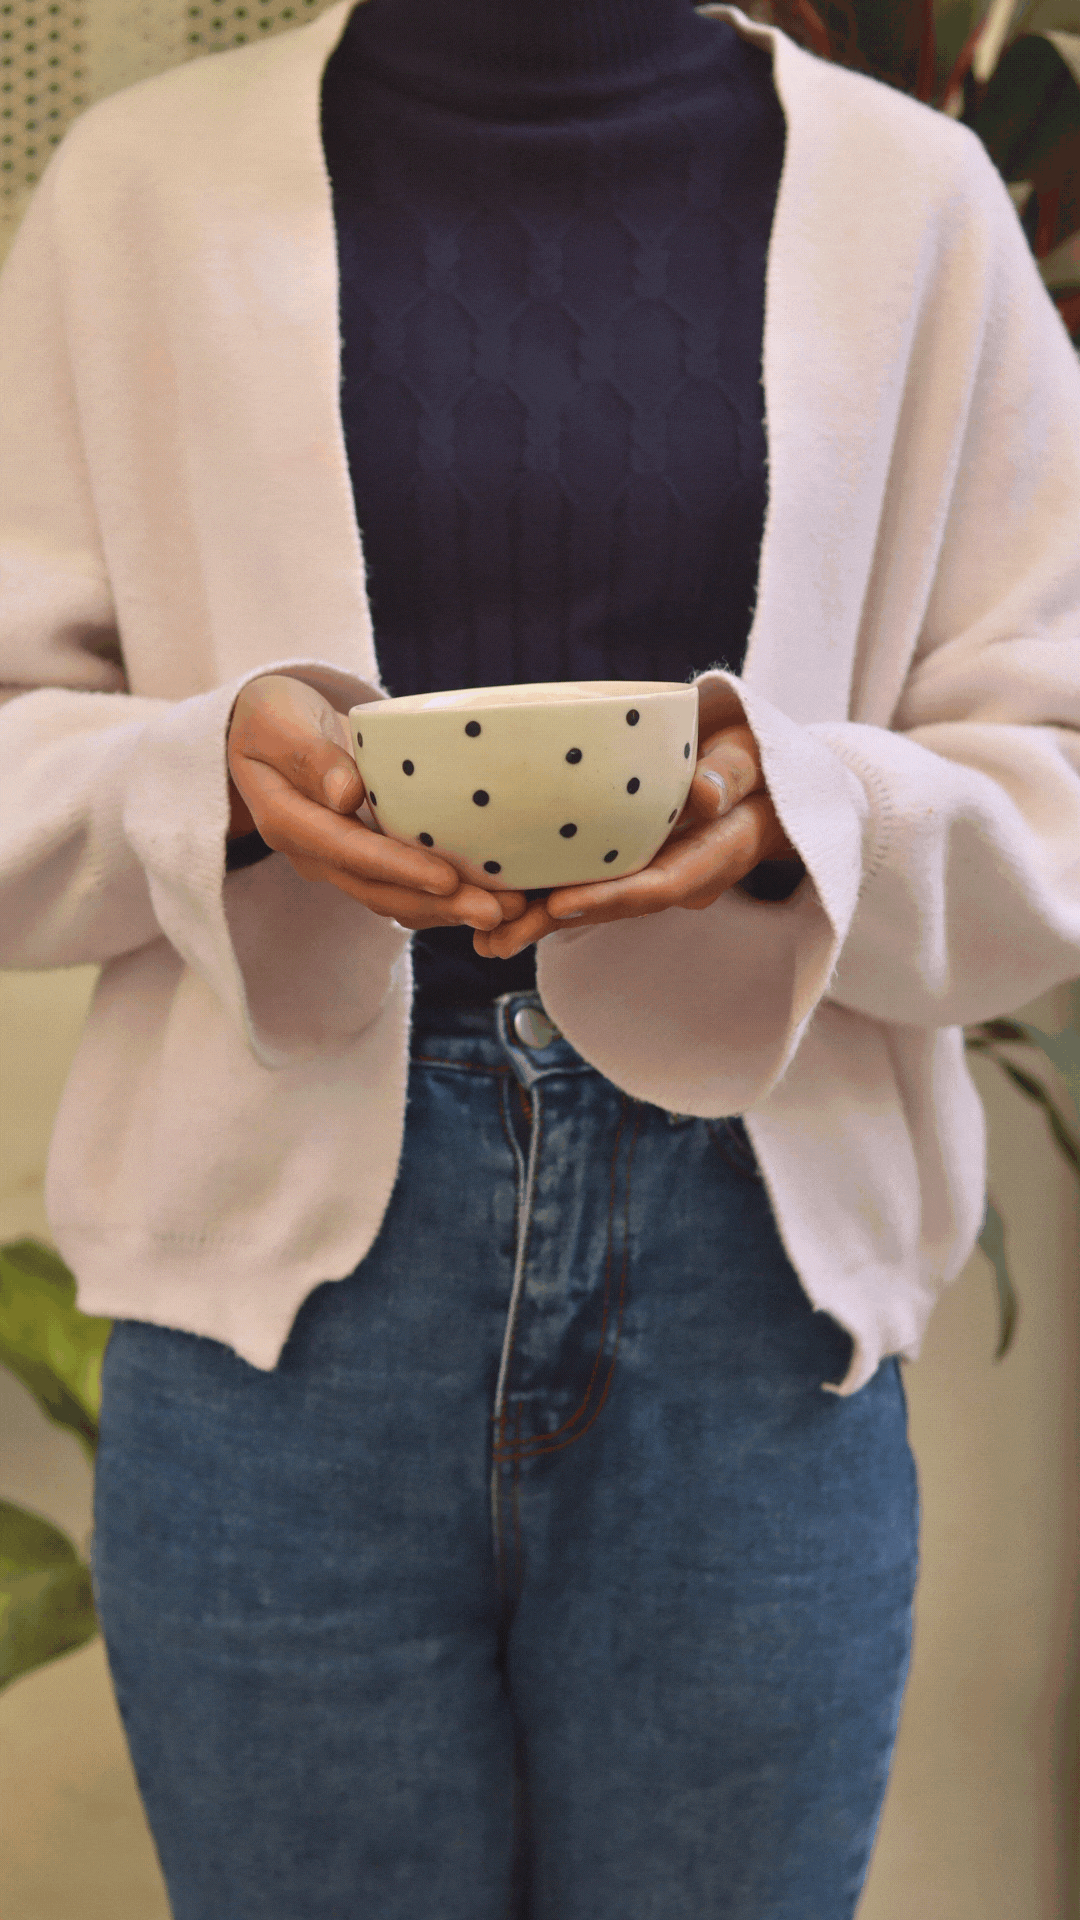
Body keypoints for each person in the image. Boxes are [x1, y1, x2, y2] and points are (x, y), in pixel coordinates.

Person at [1, 0, 1079, 1913]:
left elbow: (1056, 775)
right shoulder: (136, 202)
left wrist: (807, 811)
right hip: (273, 1318)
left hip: (760, 1301)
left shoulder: (914, 207)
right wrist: (215, 771)